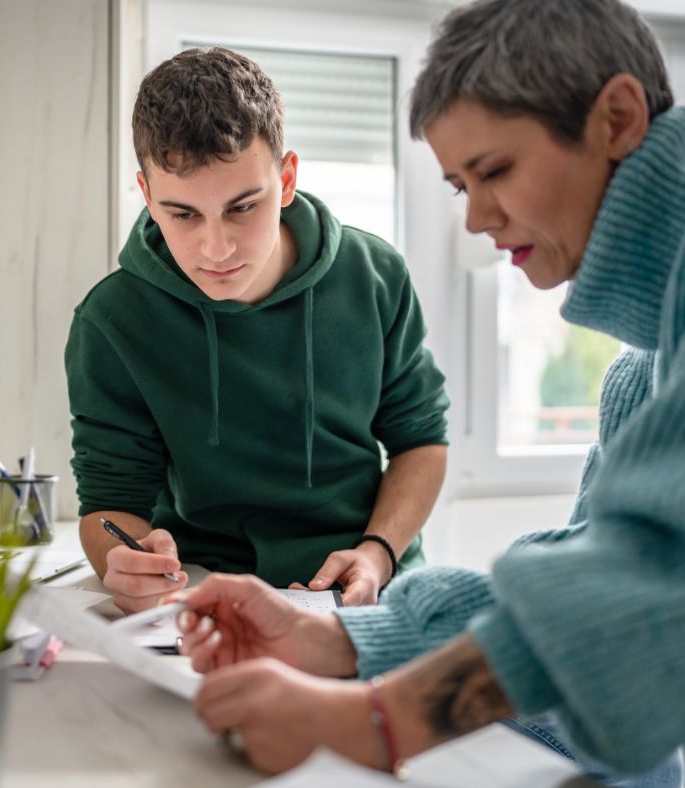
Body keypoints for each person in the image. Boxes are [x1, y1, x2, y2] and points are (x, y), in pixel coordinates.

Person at [174, 0, 685, 784]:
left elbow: (643, 600)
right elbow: (579, 595)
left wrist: (375, 722)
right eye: (459, 187)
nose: (478, 219)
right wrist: (343, 641)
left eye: (497, 172)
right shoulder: (636, 375)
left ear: (616, 117)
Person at [65, 48, 449, 613]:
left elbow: (421, 440)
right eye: (183, 215)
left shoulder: (375, 276)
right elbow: (108, 504)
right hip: (202, 595)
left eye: (243, 207)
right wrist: (121, 562)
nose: (215, 249)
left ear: (286, 178)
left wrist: (378, 551)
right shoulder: (112, 320)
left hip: (364, 588)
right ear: (147, 196)